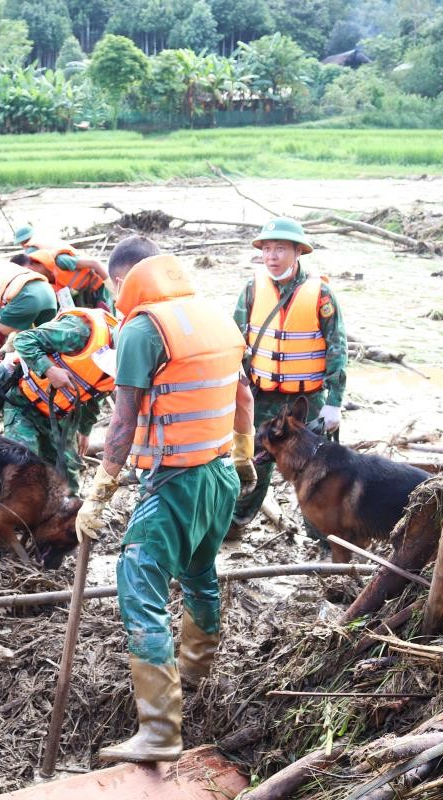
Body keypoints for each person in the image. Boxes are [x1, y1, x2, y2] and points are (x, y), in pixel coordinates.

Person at [74, 236, 256, 763]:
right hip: (219, 473)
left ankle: (159, 731)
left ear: (120, 281)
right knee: (200, 572)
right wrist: (242, 457)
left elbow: (124, 420)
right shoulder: (215, 314)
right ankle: (195, 673)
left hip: (173, 481)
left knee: (139, 586)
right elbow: (243, 396)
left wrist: (100, 493)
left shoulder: (142, 327)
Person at [229, 218, 347, 535]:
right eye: (267, 248)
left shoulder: (321, 294)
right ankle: (237, 522)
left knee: (315, 468)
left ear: (297, 251)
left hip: (305, 399)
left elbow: (337, 348)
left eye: (280, 248)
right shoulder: (252, 290)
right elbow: (234, 342)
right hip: (262, 394)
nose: (272, 256)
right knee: (254, 460)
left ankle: (321, 533)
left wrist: (334, 403)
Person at [2, 306, 119, 494]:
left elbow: (96, 394)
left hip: (61, 416)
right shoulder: (78, 332)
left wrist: (84, 429)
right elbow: (24, 340)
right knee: (20, 466)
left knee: (68, 480)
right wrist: (49, 369)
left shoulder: (129, 364)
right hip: (23, 403)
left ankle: (64, 519)